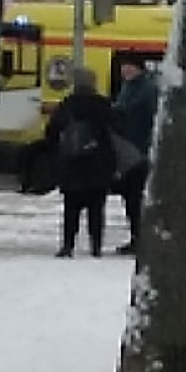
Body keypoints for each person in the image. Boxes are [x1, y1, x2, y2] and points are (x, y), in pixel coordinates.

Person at [46, 66, 117, 258]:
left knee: (71, 208)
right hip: (98, 165)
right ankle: (96, 246)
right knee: (96, 209)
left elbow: (52, 131)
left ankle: (68, 245)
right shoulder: (103, 105)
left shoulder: (67, 104)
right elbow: (115, 131)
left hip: (72, 165)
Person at [112, 53, 159, 255]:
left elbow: (140, 115)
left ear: (139, 68)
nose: (125, 70)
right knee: (131, 197)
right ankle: (137, 237)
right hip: (129, 148)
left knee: (135, 197)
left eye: (129, 66)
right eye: (123, 67)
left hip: (138, 149)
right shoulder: (130, 87)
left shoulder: (145, 89)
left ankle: (141, 238)